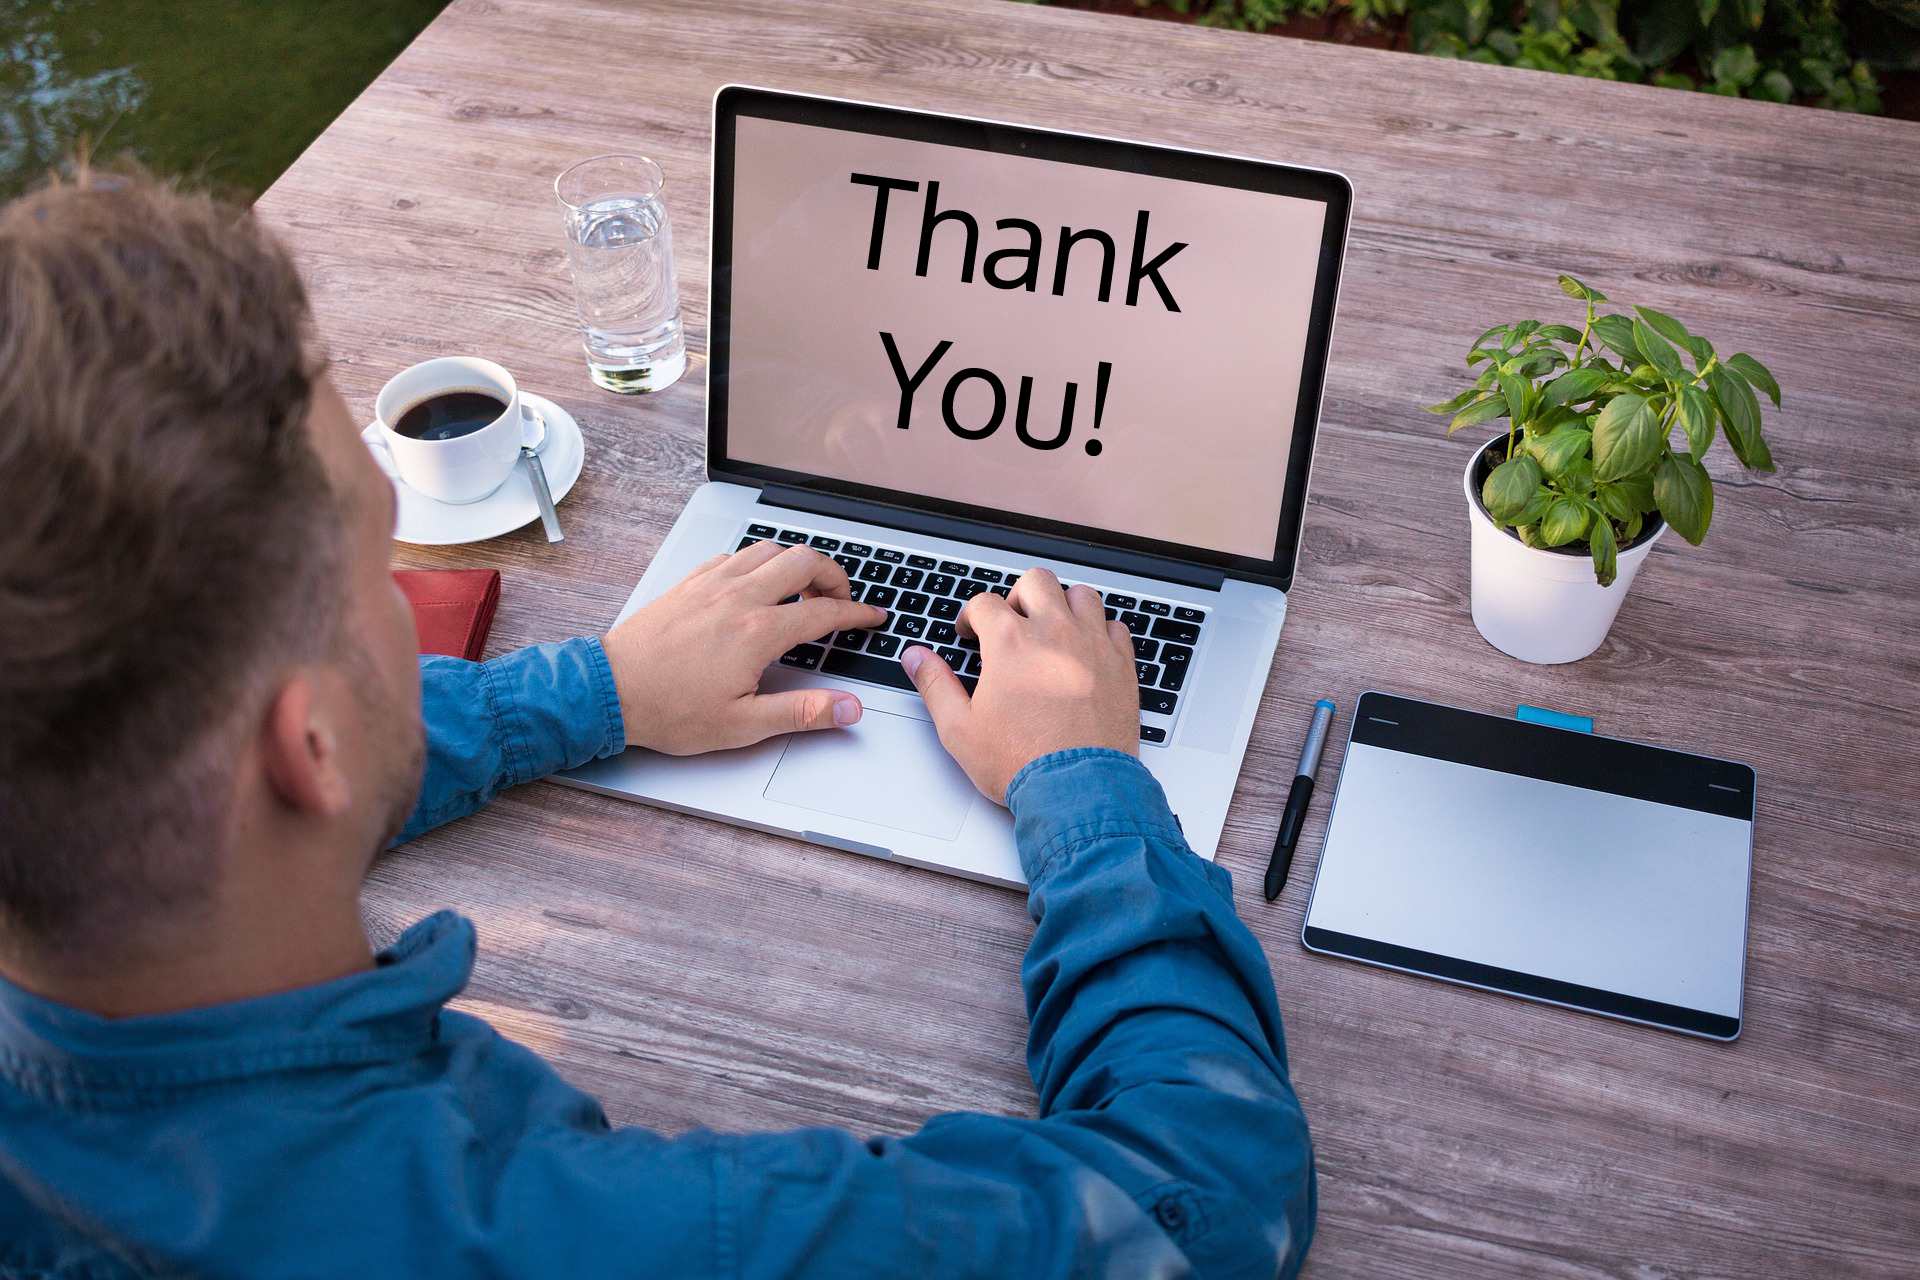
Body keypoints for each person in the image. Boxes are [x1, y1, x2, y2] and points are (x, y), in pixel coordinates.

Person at [0, 167, 1313, 1277]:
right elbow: (1210, 1190)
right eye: (378, 575)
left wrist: (600, 691)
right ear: (312, 750)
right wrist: (1086, 788)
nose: (406, 608)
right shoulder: (626, 1239)